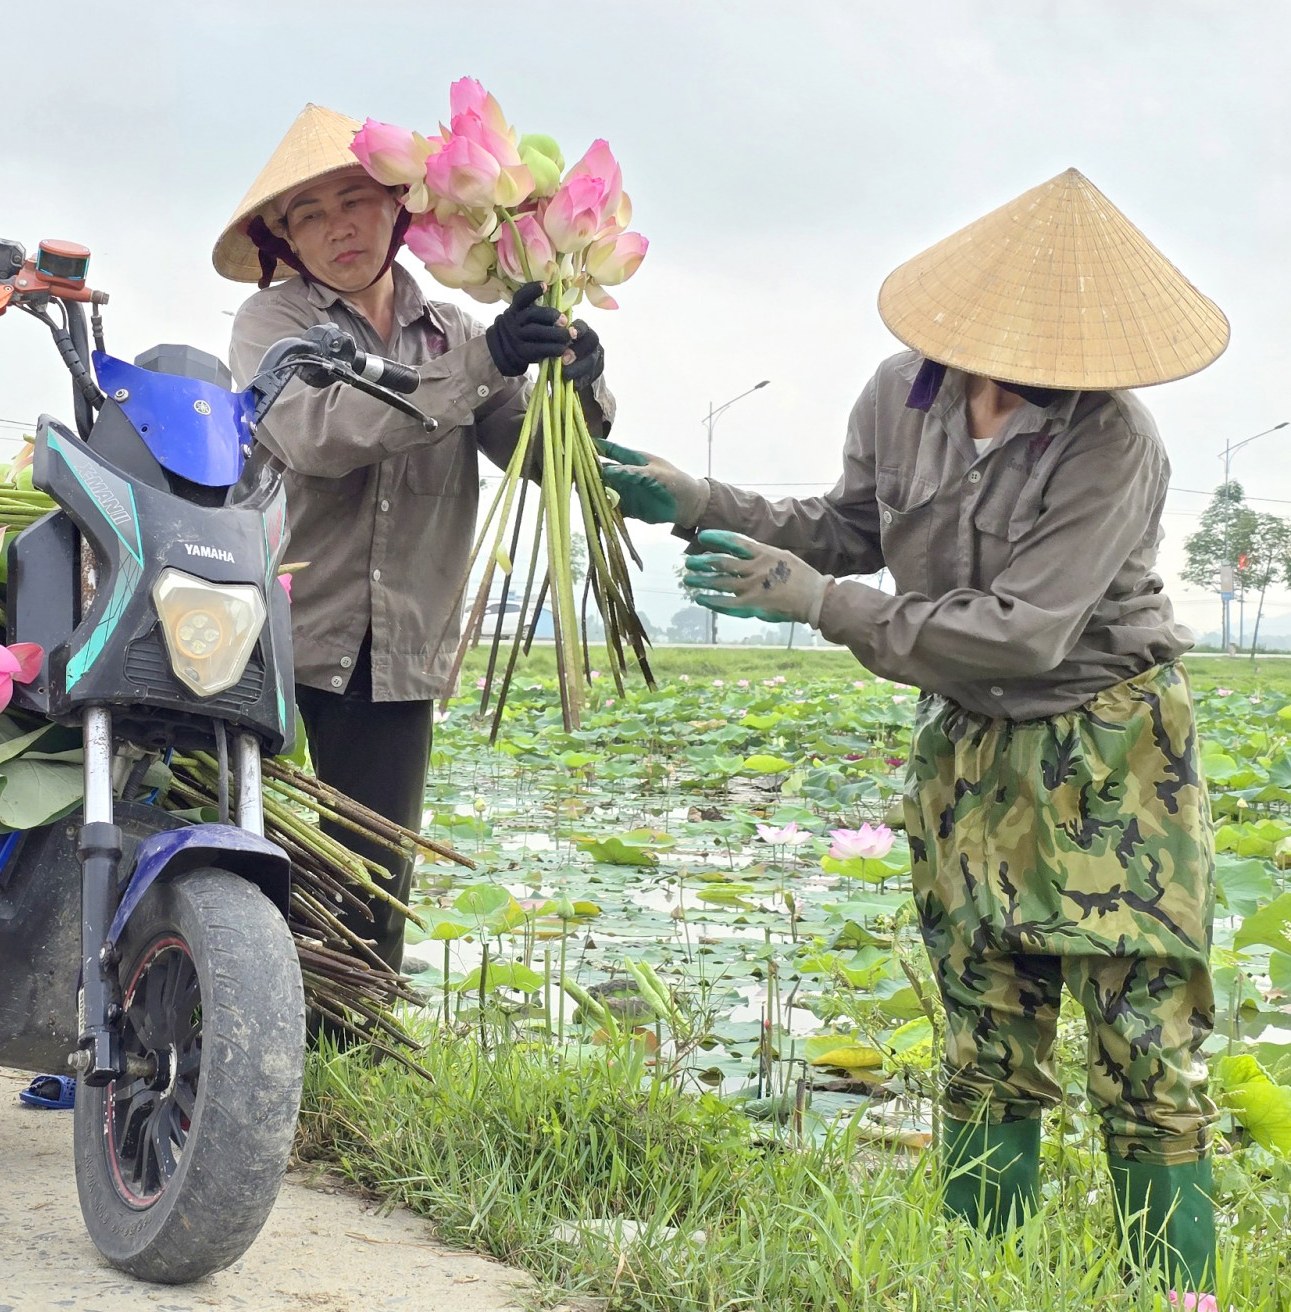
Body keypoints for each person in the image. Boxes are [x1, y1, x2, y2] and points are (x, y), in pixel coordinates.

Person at [603, 169, 1227, 1305]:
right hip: (968, 755)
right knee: (984, 1034)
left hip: (1107, 750)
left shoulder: (1111, 439)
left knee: (1143, 1040)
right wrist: (698, 497)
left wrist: (813, 602)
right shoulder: (898, 393)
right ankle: (977, 1281)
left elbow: (1021, 633)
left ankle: (1166, 1297)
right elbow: (844, 527)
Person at [215, 104, 610, 971]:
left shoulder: (460, 331)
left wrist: (575, 382)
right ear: (282, 239)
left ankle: (348, 1061)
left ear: (399, 207)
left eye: (353, 200)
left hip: (395, 647)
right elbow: (319, 437)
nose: (336, 228)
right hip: (277, 633)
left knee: (372, 878)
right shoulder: (271, 328)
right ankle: (234, 1038)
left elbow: (541, 454)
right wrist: (483, 366)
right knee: (249, 855)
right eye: (307, 215)